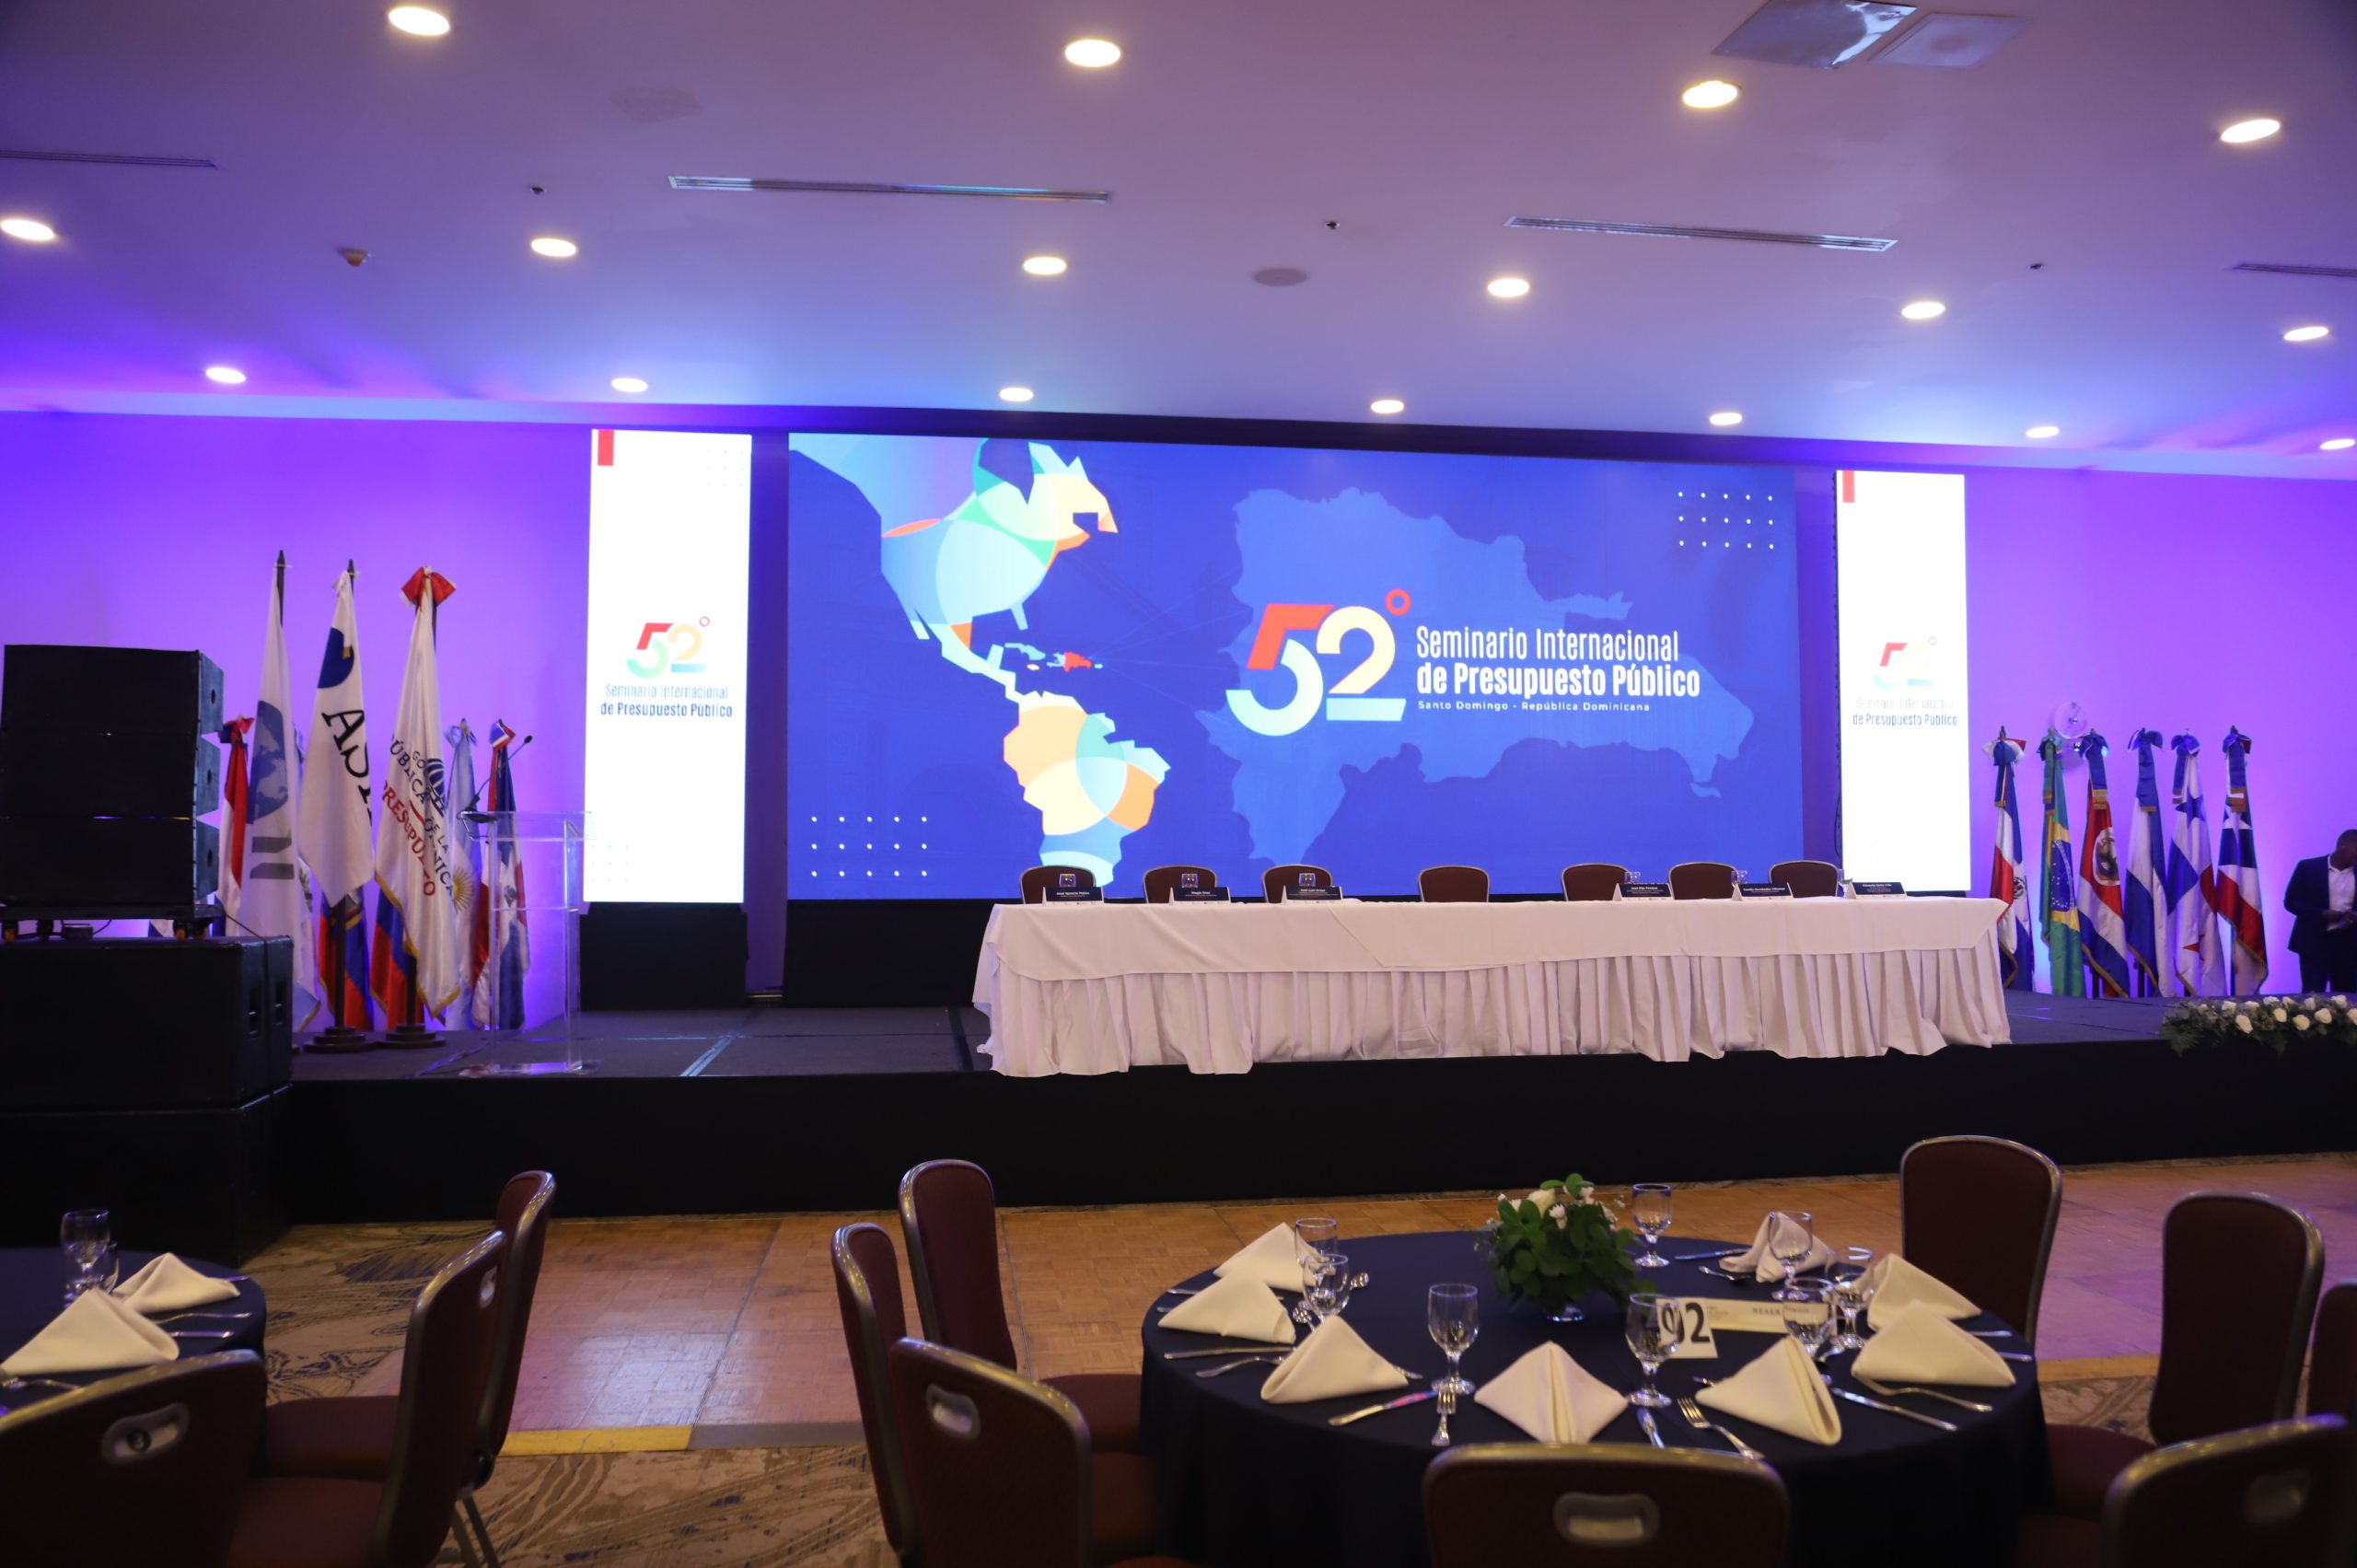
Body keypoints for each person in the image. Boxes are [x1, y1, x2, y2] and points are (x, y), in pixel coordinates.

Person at [2283, 830, 2357, 992]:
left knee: (2348, 996)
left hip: (2349, 945)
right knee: (2312, 995)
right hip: (2313, 943)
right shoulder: (2308, 868)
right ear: (2343, 846)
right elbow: (2291, 902)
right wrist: (2321, 914)